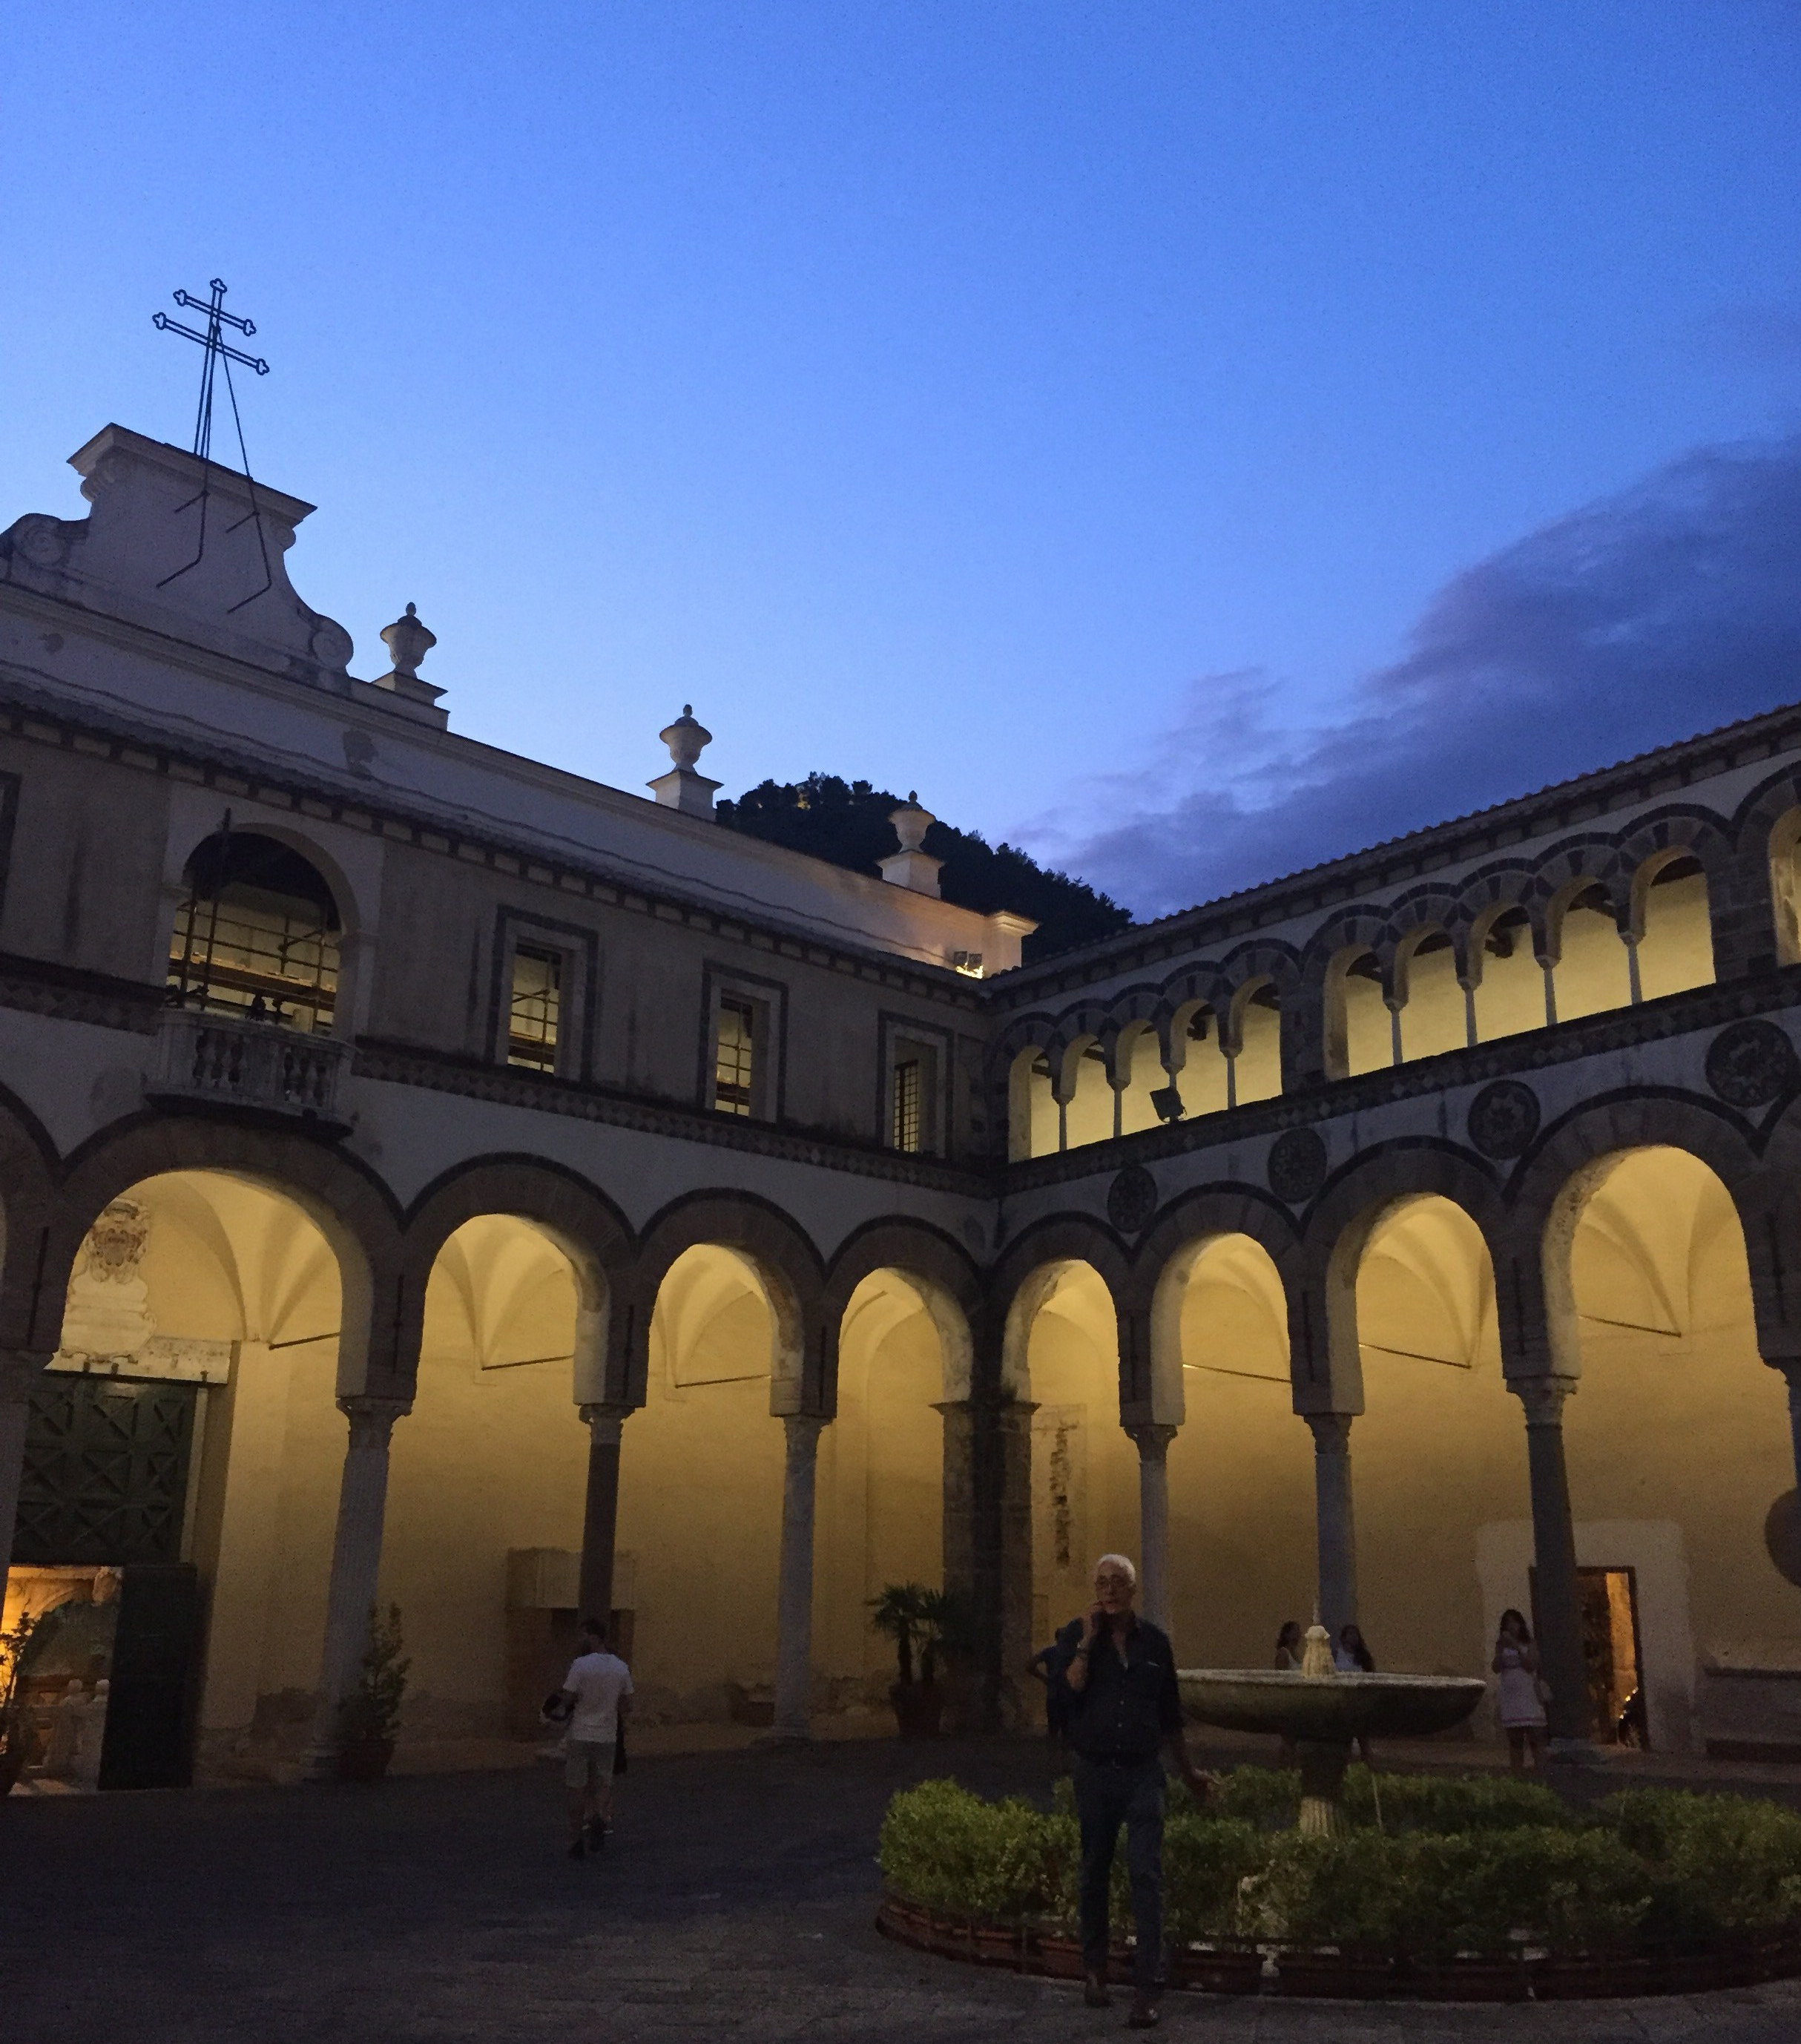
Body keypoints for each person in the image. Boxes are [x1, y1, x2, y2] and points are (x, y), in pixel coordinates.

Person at [1052, 1554, 1208, 2031]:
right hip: (1096, 1774)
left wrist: (1190, 1774)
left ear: (1132, 1589)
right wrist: (1085, 1642)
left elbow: (1171, 1719)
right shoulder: (1074, 1639)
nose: (1109, 1589)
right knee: (1094, 1871)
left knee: (1146, 1875)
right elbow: (1070, 1690)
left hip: (1143, 1774)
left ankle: (1146, 1990)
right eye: (1101, 1582)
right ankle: (1095, 1971)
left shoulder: (1156, 1644)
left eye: (1118, 1581)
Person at [557, 1617, 633, 1859]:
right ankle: (600, 1815)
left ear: (592, 1636)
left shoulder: (580, 1665)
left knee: (577, 1787)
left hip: (581, 1734)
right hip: (607, 1735)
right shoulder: (621, 1667)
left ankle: (575, 1839)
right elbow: (626, 1704)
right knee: (602, 1783)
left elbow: (568, 1698)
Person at [1492, 1608, 1547, 1772]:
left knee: (1535, 1737)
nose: (1512, 1626)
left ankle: (1541, 1773)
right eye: (1508, 1623)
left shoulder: (1529, 1643)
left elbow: (1532, 1665)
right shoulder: (1501, 1645)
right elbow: (1496, 1668)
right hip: (1511, 1695)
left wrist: (1516, 1646)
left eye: (1514, 1622)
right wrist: (1501, 1651)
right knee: (1515, 1740)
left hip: (1528, 1694)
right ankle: (1517, 1774)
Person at [1335, 1623, 1376, 1764]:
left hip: (1359, 1701)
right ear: (1344, 1637)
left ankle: (1368, 1767)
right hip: (1342, 1700)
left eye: (1355, 1634)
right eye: (1350, 1634)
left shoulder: (1364, 1657)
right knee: (1344, 1739)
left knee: (1363, 1739)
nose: (1353, 1637)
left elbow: (1372, 1676)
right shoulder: (1336, 1655)